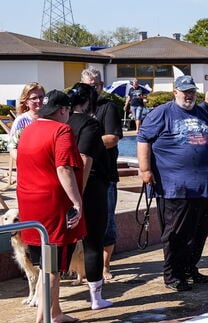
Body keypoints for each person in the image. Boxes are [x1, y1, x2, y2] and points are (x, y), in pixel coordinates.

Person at [136, 75, 208, 292]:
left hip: (206, 186)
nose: (189, 95)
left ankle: (189, 269)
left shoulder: (204, 113)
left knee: (198, 232)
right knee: (176, 233)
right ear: (176, 92)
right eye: (184, 91)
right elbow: (143, 138)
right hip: (175, 186)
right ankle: (172, 274)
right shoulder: (162, 112)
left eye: (192, 91)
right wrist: (145, 170)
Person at [16, 90, 86, 323]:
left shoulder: (29, 129)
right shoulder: (62, 131)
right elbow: (64, 168)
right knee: (52, 267)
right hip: (54, 207)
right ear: (64, 110)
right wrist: (77, 201)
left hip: (30, 206)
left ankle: (55, 312)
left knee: (45, 261)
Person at [67, 82, 112, 310]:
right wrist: (78, 197)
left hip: (63, 187)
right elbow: (84, 159)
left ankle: (52, 300)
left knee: (61, 245)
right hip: (89, 188)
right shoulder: (90, 124)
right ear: (88, 102)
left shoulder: (60, 123)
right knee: (93, 241)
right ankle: (96, 297)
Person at [81, 68, 122, 281]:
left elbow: (112, 138)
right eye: (88, 86)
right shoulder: (77, 109)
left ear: (102, 85)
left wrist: (85, 145)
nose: (92, 89)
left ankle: (105, 267)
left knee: (106, 222)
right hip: (83, 175)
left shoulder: (108, 108)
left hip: (104, 175)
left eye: (96, 85)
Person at [7, 82, 45, 168]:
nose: (38, 101)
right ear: (26, 102)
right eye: (34, 98)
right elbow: (12, 147)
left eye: (41, 97)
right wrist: (26, 161)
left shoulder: (50, 118)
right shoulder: (21, 121)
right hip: (29, 165)